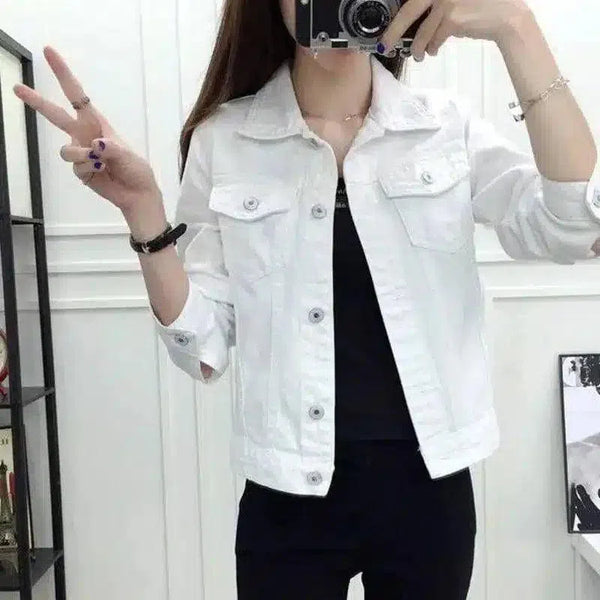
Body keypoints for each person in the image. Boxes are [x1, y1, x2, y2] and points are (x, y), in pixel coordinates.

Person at [13, 0, 600, 597]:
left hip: (429, 489)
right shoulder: (225, 140)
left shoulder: (444, 128)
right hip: (287, 494)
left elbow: (572, 226)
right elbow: (202, 348)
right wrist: (143, 211)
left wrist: (517, 28)